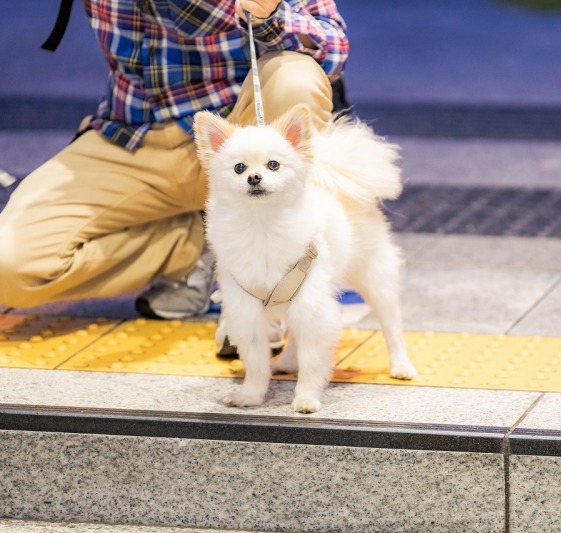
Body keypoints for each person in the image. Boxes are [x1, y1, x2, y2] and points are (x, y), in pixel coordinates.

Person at [0, 0, 348, 319]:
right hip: (129, 134)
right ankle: (194, 247)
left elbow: (334, 46)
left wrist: (270, 17)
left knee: (295, 79)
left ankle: (285, 280)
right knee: (10, 266)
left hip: (236, 137)